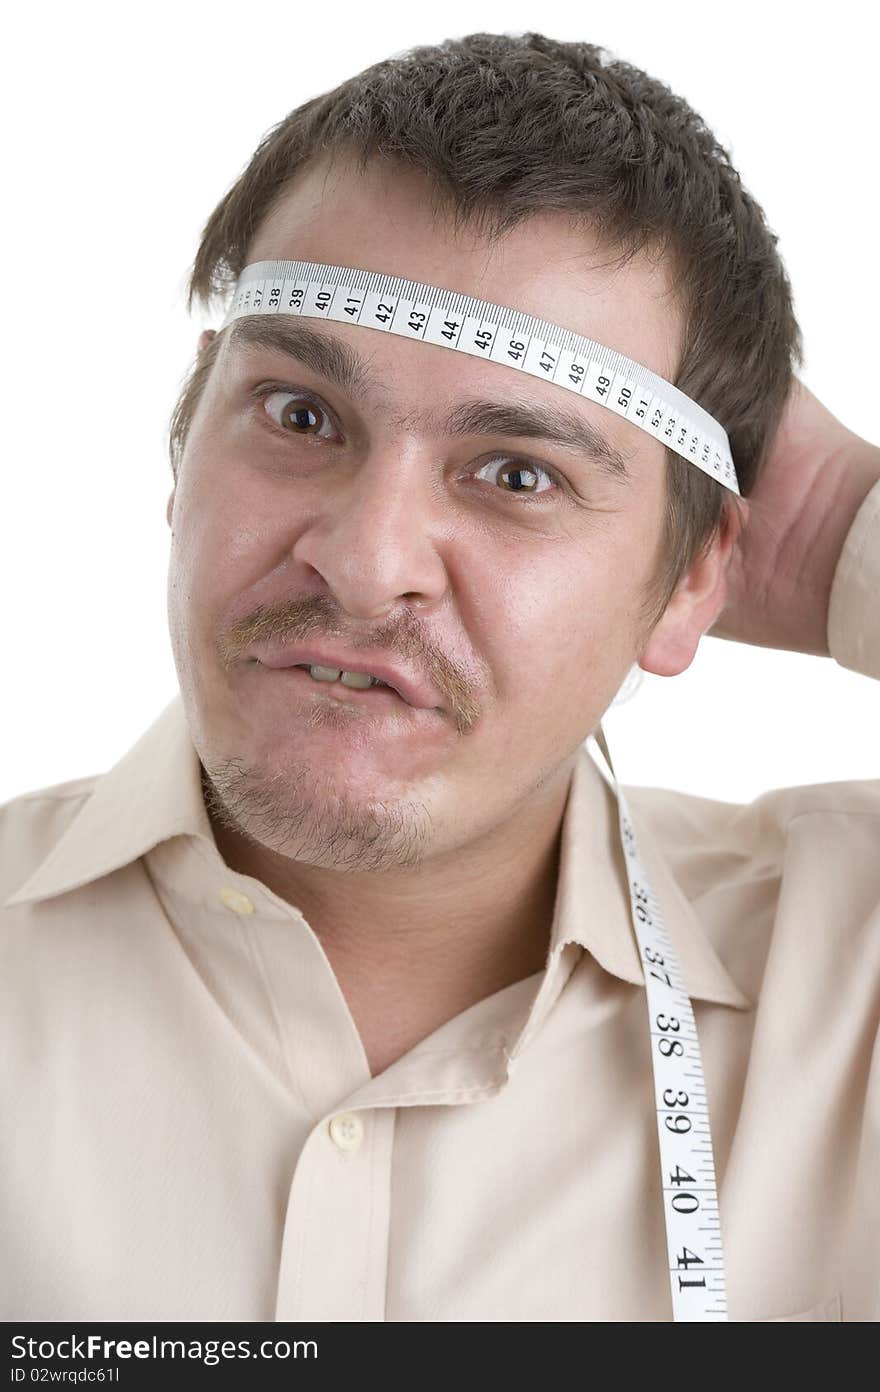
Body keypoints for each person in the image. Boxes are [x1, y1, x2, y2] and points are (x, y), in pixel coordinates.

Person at [2, 31, 878, 1324]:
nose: (365, 566)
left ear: (697, 577)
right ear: (186, 435)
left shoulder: (849, 982)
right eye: (302, 415)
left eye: (519, 472)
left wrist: (843, 527)